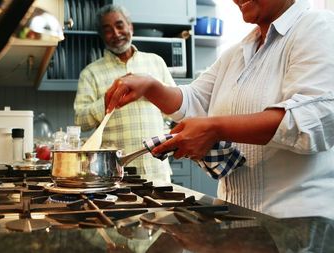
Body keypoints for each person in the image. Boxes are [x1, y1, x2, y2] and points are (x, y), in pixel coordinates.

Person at [105, 0, 334, 219]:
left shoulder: (318, 27)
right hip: (236, 217)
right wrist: (151, 86)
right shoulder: (238, 52)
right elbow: (194, 100)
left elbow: (312, 118)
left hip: (295, 225)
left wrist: (215, 128)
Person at [73, 4, 175, 185]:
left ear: (130, 27)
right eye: (108, 30)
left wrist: (152, 89)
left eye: (120, 25)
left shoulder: (156, 62)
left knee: (162, 214)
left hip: (157, 171)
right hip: (115, 173)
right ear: (102, 36)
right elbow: (81, 120)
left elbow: (173, 110)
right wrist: (107, 99)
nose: (116, 33)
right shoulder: (90, 73)